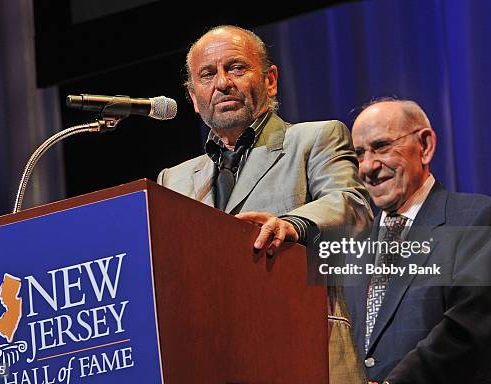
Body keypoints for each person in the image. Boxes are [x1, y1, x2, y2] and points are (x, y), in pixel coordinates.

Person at [157, 25, 372, 383]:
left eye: (237, 68)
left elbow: (352, 207)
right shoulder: (174, 180)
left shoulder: (314, 139)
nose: (222, 82)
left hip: (305, 354)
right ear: (193, 97)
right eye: (207, 74)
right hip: (213, 362)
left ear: (270, 80)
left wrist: (292, 224)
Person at [346, 98, 491, 384]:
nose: (367, 167)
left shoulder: (478, 219)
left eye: (381, 146)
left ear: (424, 146)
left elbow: (468, 327)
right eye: (359, 154)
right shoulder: (353, 247)